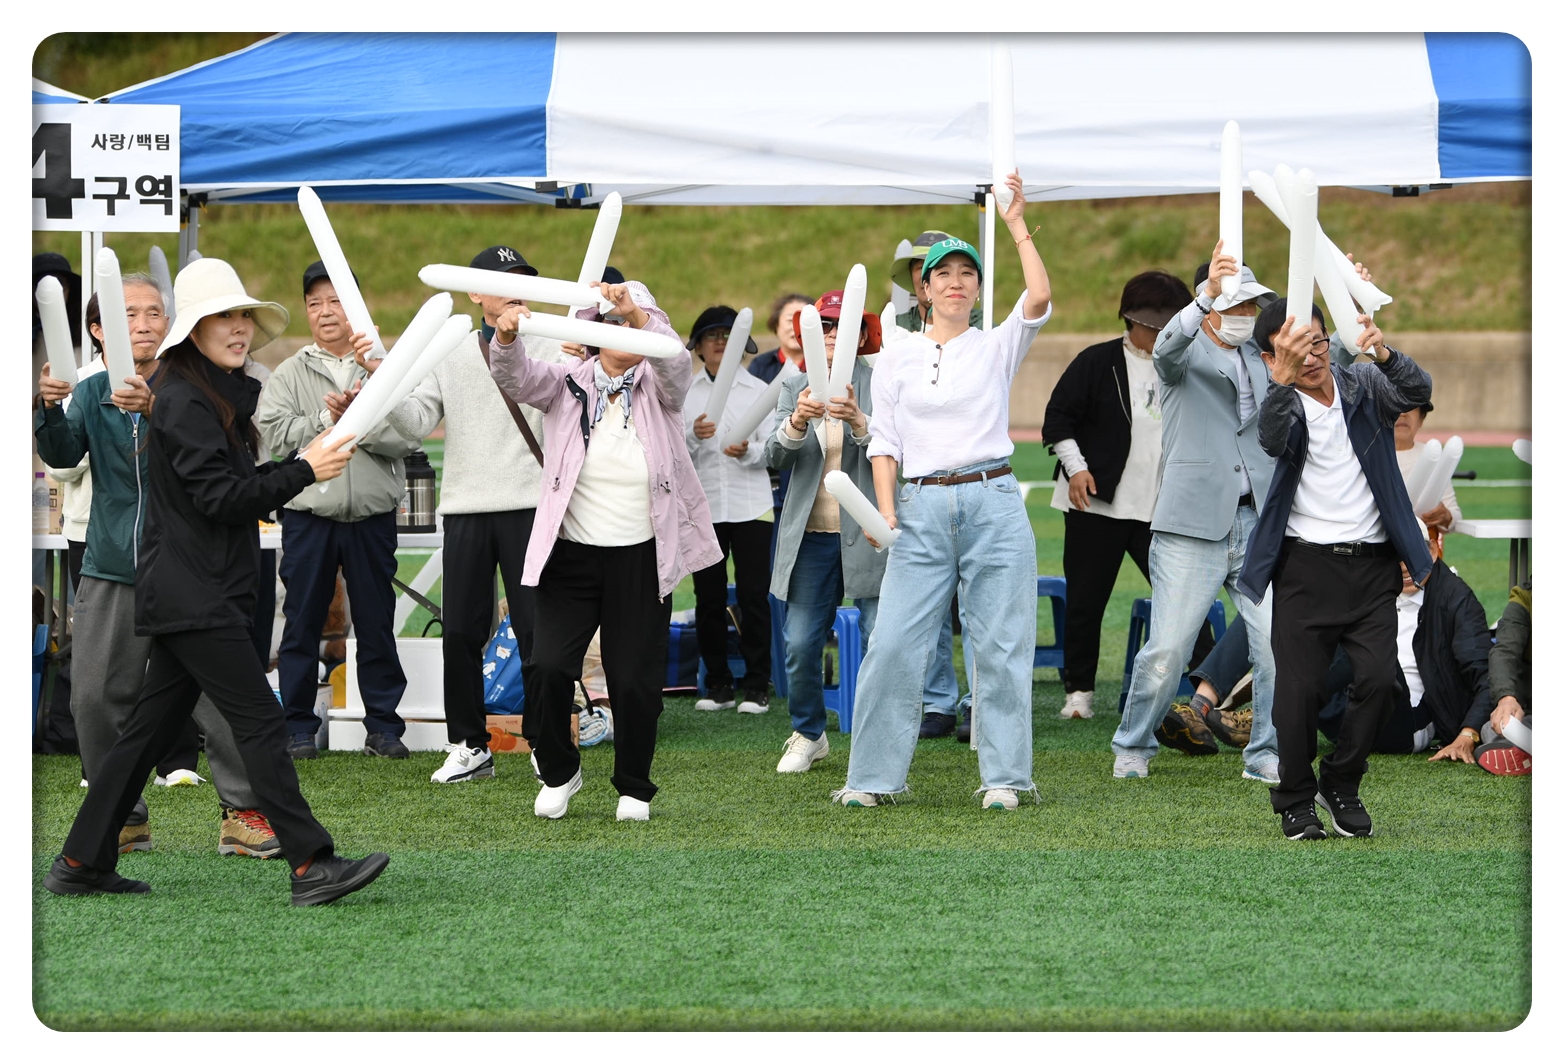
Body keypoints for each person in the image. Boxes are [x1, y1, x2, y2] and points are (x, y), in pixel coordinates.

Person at [43, 256, 390, 904]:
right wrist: (305, 470)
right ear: (195, 331)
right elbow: (224, 499)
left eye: (244, 316)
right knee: (258, 722)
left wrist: (307, 454)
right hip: (194, 595)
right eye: (223, 317)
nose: (240, 328)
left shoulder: (199, 395)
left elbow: (238, 484)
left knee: (143, 736)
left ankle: (79, 861)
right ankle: (311, 863)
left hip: (194, 590)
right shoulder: (183, 399)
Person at [36, 270, 283, 861]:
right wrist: (46, 408)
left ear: (172, 324)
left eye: (154, 313)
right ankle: (123, 816)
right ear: (99, 330)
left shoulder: (192, 384)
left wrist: (155, 408)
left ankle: (243, 811)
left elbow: (227, 459)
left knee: (221, 695)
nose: (144, 324)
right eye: (128, 314)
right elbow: (64, 455)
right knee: (94, 696)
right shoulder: (90, 391)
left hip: (189, 565)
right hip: (113, 563)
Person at [834, 172, 1050, 811]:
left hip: (994, 502)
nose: (957, 281)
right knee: (893, 644)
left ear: (978, 289)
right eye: (944, 274)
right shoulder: (896, 354)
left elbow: (1039, 294)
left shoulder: (997, 345)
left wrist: (1016, 225)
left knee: (1002, 646)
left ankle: (1005, 778)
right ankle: (872, 779)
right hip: (920, 508)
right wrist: (885, 513)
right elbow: (884, 442)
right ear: (923, 289)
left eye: (968, 273)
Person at [486, 279, 721, 822]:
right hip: (571, 555)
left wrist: (634, 312)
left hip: (641, 557)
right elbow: (515, 376)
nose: (622, 331)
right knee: (547, 667)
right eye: (610, 323)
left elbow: (675, 363)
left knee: (634, 680)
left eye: (632, 323)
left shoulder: (661, 387)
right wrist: (506, 336)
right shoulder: (567, 380)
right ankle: (559, 771)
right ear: (592, 332)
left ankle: (633, 785)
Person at [1235, 295, 1432, 840]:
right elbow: (1271, 439)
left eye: (1318, 342)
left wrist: (1384, 352)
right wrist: (1281, 381)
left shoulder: (1362, 384)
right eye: (1295, 350)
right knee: (1297, 694)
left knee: (1380, 682)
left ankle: (1341, 781)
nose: (1312, 357)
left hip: (1372, 566)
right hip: (1304, 568)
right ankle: (1295, 798)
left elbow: (1417, 392)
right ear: (1271, 358)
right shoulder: (1280, 402)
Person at [382, 245, 570, 785]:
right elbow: (417, 421)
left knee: (536, 631)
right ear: (475, 293)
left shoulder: (554, 342)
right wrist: (383, 384)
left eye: (523, 279)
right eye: (503, 279)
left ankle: (543, 740)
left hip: (531, 503)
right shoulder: (451, 348)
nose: (515, 289)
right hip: (465, 506)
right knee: (460, 631)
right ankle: (468, 744)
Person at [1109, 242, 1281, 784]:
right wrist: (1204, 296)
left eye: (1251, 305)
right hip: (1191, 527)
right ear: (1211, 308)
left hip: (1257, 522)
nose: (1246, 315)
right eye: (1236, 305)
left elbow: (1322, 364)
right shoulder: (1181, 351)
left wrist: (1353, 311)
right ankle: (1133, 743)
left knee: (1275, 645)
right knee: (1168, 650)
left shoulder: (1263, 356)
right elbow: (1164, 349)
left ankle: (1264, 752)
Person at [258, 261, 418, 760]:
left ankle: (384, 728)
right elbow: (274, 437)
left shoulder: (385, 367)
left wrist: (358, 421)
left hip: (371, 516)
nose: (325, 312)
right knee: (301, 623)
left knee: (376, 623)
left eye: (336, 302)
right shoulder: (289, 372)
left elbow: (407, 437)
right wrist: (324, 421)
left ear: (357, 309)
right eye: (315, 303)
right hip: (309, 515)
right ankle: (298, 728)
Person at [1043, 270, 1212, 722]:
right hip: (1097, 504)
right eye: (1154, 327)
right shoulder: (1096, 362)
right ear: (1130, 319)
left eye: (1170, 327)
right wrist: (1077, 469)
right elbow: (1058, 419)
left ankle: (1213, 691)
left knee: (1185, 599)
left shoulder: (1189, 362)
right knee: (1086, 601)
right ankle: (1079, 692)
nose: (1161, 336)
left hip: (1163, 507)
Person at [766, 289, 884, 773]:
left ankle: (877, 737)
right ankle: (809, 732)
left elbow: (900, 451)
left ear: (860, 334)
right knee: (799, 642)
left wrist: (859, 420)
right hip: (811, 535)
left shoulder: (880, 381)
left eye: (841, 325)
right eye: (824, 325)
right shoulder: (795, 385)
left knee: (881, 640)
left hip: (870, 532)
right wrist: (796, 421)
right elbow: (773, 457)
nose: (832, 334)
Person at [684, 305, 775, 713]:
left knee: (754, 596)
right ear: (699, 347)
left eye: (727, 335)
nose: (720, 342)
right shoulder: (686, 393)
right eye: (712, 336)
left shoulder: (757, 390)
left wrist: (748, 451)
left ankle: (757, 685)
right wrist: (693, 435)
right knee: (708, 597)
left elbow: (773, 447)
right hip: (704, 506)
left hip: (752, 505)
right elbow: (673, 452)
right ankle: (717, 685)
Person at [1451, 580, 1531, 775]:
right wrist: (1506, 697)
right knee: (1494, 726)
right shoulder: (1526, 597)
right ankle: (1524, 750)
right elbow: (1504, 651)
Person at [890, 231, 984, 333]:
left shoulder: (985, 328)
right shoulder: (894, 328)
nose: (926, 276)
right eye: (921, 267)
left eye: (943, 272)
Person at [1395, 398, 1461, 537]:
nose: (1403, 414)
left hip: (1419, 544)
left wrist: (1445, 516)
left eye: (1411, 407)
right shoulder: (1365, 455)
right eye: (1396, 406)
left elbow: (1455, 517)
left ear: (1421, 419)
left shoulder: (1432, 455)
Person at [748, 292, 813, 385]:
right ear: (776, 324)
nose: (796, 328)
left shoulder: (824, 364)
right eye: (790, 320)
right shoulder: (761, 365)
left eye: (803, 320)